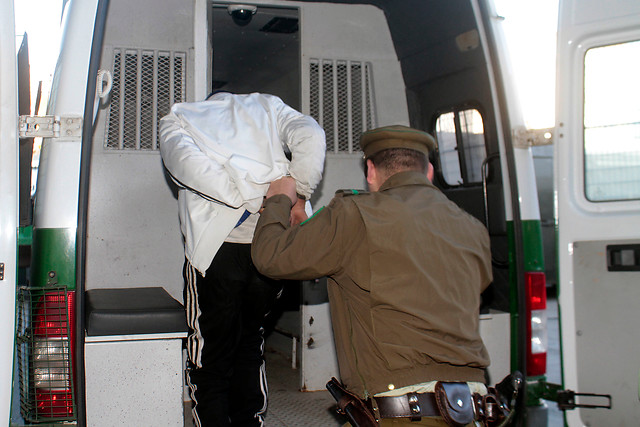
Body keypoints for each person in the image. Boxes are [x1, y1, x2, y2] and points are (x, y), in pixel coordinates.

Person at [251, 125, 493, 426]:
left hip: (403, 413)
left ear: (370, 171)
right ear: (428, 171)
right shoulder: (473, 228)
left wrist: (278, 199)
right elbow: (476, 284)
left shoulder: (354, 214)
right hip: (475, 408)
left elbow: (270, 257)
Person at [159, 91, 326, 427]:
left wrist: (249, 195)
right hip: (272, 242)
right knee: (251, 340)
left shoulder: (178, 119)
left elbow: (191, 168)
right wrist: (296, 193)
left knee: (211, 352)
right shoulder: (268, 105)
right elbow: (312, 134)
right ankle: (250, 421)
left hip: (217, 250)